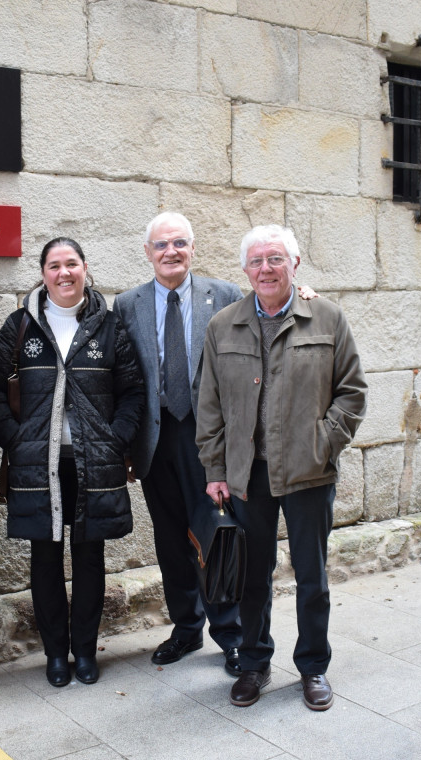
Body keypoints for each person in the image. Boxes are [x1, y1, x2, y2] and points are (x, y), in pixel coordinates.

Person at [197, 224, 367, 711]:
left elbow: (352, 393)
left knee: (312, 576)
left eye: (276, 259)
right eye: (257, 261)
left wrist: (323, 443)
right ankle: (253, 663)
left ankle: (313, 666)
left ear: (295, 265)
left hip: (309, 472)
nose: (266, 269)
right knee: (253, 577)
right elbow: (208, 403)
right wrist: (215, 468)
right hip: (246, 475)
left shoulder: (328, 318)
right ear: (245, 270)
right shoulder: (223, 325)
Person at [0, 237, 144, 687]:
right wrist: (16, 441)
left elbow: (133, 392)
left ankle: (85, 652)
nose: (63, 273)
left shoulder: (110, 328)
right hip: (39, 464)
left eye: (71, 264)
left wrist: (115, 440)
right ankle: (57, 656)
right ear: (43, 274)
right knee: (45, 559)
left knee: (90, 557)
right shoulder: (20, 326)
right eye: (54, 265)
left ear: (84, 268)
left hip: (93, 462)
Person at [114, 212, 244, 676]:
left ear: (192, 248)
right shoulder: (127, 304)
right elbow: (122, 375)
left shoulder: (227, 296)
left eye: (179, 243)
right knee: (171, 541)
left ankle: (231, 634)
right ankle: (186, 629)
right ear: (148, 252)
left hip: (207, 437)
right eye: (161, 245)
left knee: (214, 534)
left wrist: (304, 293)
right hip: (154, 438)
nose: (171, 252)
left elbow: (271, 321)